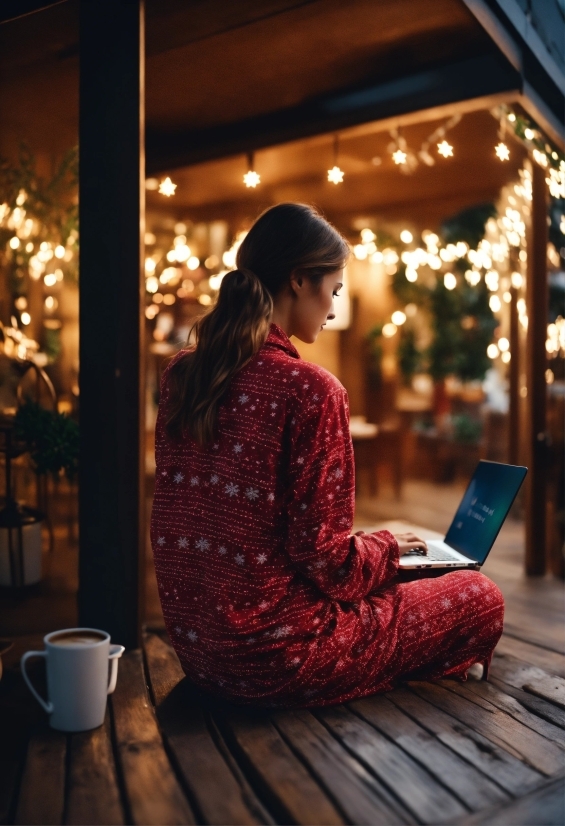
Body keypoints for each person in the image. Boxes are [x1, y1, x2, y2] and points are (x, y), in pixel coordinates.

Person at [150, 203, 504, 707]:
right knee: (477, 593)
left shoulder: (181, 375)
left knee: (418, 570)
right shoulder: (310, 389)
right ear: (299, 280)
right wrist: (388, 548)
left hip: (202, 654)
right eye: (334, 290)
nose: (335, 309)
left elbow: (290, 545)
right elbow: (332, 567)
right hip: (279, 658)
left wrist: (387, 554)